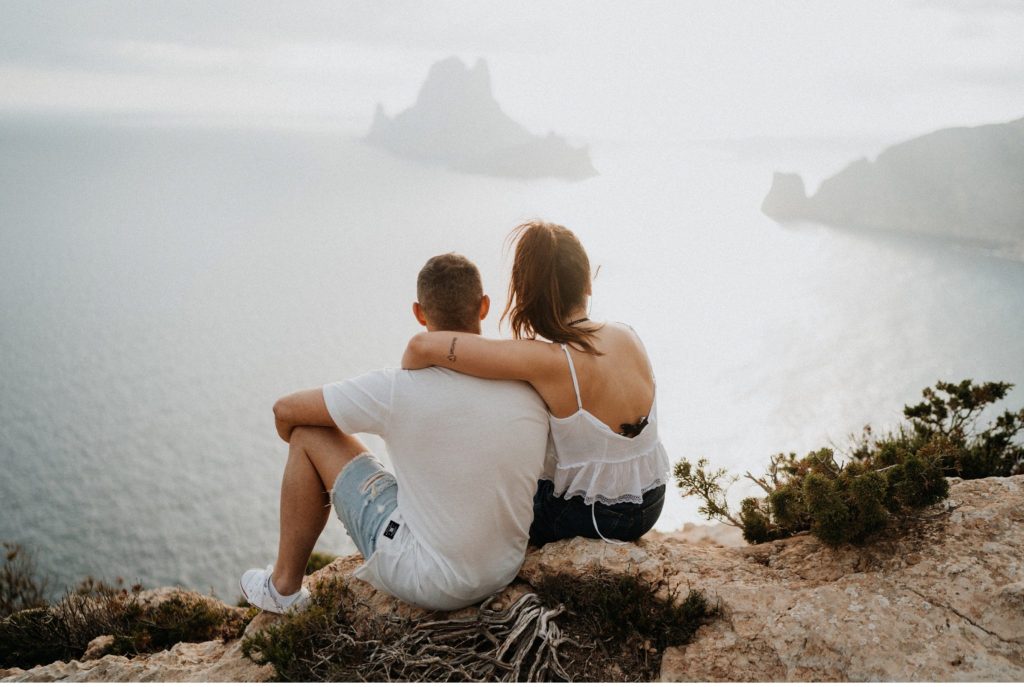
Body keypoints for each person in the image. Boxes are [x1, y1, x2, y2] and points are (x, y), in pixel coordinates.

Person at [240, 253, 549, 613]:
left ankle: (283, 589)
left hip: (430, 581)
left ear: (419, 314)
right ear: (484, 307)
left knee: (308, 433)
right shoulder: (527, 385)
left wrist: (309, 467)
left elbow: (285, 411)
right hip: (502, 569)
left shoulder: (398, 389)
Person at [403, 220, 670, 546]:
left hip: (598, 517)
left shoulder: (547, 360)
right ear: (587, 282)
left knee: (487, 498)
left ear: (526, 295)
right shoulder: (626, 333)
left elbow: (422, 347)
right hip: (652, 499)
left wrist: (407, 391)